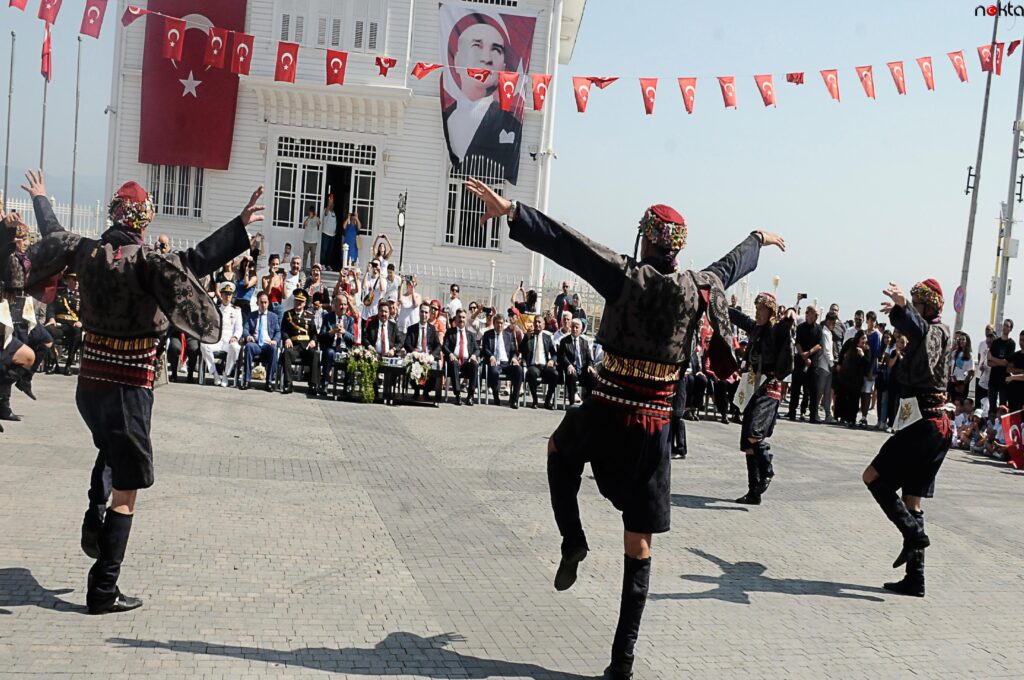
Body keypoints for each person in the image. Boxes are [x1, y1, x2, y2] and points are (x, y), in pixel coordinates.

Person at [464, 177, 785, 680]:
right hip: (653, 428)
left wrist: (514, 211)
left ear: (646, 239)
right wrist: (758, 239)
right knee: (638, 546)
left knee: (557, 452)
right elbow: (731, 264)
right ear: (677, 247)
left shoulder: (625, 276)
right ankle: (622, 664)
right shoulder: (698, 287)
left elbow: (571, 245)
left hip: (606, 409)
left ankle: (573, 539)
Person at [20, 169, 262, 613]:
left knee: (109, 451)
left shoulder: (85, 251)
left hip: (89, 385)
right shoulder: (149, 263)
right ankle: (102, 589)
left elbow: (52, 234)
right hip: (130, 386)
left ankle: (95, 514)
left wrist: (41, 198)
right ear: (143, 222)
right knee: (128, 490)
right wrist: (239, 227)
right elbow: (194, 262)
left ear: (114, 215)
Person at [863, 280, 951, 598]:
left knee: (872, 476)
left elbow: (922, 332)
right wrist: (902, 313)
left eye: (918, 305)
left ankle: (913, 534)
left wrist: (904, 309)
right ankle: (917, 578)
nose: (915, 309)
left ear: (930, 307)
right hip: (927, 425)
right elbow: (915, 330)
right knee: (912, 500)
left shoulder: (937, 332)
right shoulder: (923, 332)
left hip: (926, 426)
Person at [441, 11, 525, 183]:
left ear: (504, 65)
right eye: (476, 46)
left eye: (496, 50)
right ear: (456, 60)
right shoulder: (447, 115)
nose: (486, 59)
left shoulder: (510, 123)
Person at [729, 294, 796, 505]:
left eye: (762, 309)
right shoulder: (756, 328)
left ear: (771, 312)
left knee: (753, 433)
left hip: (769, 388)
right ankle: (753, 491)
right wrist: (718, 302)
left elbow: (787, 325)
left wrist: (791, 314)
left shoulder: (776, 329)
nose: (757, 313)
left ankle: (767, 469)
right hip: (752, 388)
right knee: (747, 443)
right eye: (756, 309)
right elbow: (739, 318)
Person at [200, 281, 243, 387]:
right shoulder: (216, 309)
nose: (227, 296)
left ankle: (226, 375)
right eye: (225, 294)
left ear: (232, 295)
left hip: (229, 341)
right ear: (221, 295)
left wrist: (235, 337)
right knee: (204, 345)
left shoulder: (236, 311)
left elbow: (239, 328)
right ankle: (214, 374)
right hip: (217, 340)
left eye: (229, 294)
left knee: (236, 347)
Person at [280, 289, 320, 395]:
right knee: (287, 353)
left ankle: (313, 385)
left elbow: (314, 333)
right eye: (297, 300)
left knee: (315, 354)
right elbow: (283, 330)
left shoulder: (309, 316)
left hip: (306, 346)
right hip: (294, 346)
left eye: (301, 301)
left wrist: (313, 341)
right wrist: (287, 338)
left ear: (305, 302)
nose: (298, 303)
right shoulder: (287, 315)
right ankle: (288, 383)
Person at [787, 306, 822, 423]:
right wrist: (803, 355)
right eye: (812, 314)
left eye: (816, 315)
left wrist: (810, 353)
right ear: (807, 314)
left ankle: (813, 415)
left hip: (813, 362)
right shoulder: (801, 328)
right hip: (800, 361)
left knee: (813, 390)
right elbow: (797, 343)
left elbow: (819, 344)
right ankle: (792, 412)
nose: (814, 317)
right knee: (796, 388)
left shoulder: (819, 329)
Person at [243, 291, 281, 392]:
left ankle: (268, 382)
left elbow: (278, 332)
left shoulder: (273, 316)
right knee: (248, 346)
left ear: (268, 303)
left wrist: (275, 340)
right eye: (261, 302)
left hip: (267, 344)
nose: (264, 305)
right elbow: (245, 329)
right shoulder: (252, 315)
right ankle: (247, 380)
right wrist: (248, 336)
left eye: (265, 302)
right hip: (255, 343)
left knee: (273, 348)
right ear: (257, 303)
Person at [403, 301, 443, 399]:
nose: (424, 314)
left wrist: (432, 356)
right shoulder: (412, 329)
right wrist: (415, 353)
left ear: (429, 314)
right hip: (416, 355)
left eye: (426, 312)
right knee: (413, 364)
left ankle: (426, 391)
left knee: (434, 366)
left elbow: (438, 345)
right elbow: (407, 344)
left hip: (428, 356)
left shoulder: (432, 329)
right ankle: (416, 391)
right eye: (422, 312)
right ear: (419, 313)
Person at [521, 314, 559, 409]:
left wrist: (551, 361)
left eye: (539, 322)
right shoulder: (529, 336)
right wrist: (526, 337)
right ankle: (535, 400)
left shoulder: (547, 337)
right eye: (535, 322)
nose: (537, 324)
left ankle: (547, 401)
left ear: (543, 325)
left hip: (545, 366)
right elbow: (521, 349)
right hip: (533, 365)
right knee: (531, 373)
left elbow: (554, 354)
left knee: (555, 374)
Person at [443, 308, 479, 405]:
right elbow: (444, 346)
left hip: (467, 361)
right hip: (454, 360)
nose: (461, 319)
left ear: (466, 319)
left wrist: (474, 356)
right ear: (455, 319)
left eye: (463, 317)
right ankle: (458, 395)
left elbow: (477, 349)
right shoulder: (450, 332)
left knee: (475, 365)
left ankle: (470, 395)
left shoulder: (471, 334)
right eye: (459, 317)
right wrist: (450, 354)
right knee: (454, 363)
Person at [559, 318, 594, 406]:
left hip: (582, 370)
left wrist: (590, 365)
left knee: (592, 376)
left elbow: (589, 358)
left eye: (577, 327)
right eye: (573, 327)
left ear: (581, 330)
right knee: (572, 375)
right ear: (570, 327)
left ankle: (587, 402)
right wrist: (569, 365)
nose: (574, 329)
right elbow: (562, 357)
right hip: (571, 369)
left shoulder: (584, 342)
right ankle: (572, 402)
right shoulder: (564, 341)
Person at [320, 195, 337, 270]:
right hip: (326, 233)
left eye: (333, 204)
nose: (331, 206)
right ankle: (322, 264)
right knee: (324, 250)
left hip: (332, 235)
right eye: (331, 204)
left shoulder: (334, 213)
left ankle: (328, 264)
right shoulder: (326, 210)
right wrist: (329, 202)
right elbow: (326, 213)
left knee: (330, 251)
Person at [300, 205, 320, 273]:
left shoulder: (317, 218)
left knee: (313, 256)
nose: (311, 213)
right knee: (305, 255)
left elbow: (319, 224)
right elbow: (305, 224)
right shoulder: (306, 217)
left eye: (312, 211)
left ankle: (312, 270)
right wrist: (309, 217)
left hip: (314, 241)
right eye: (310, 211)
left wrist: (316, 216)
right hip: (306, 240)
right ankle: (304, 269)